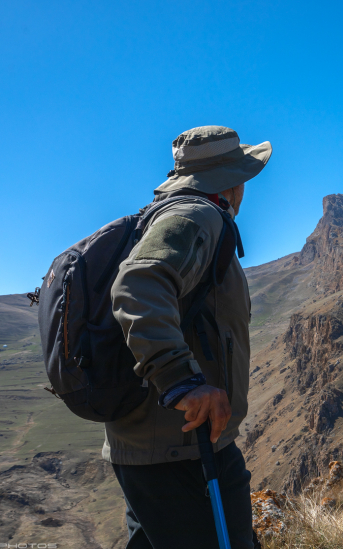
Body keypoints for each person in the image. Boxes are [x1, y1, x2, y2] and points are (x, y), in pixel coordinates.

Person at [106, 125, 271, 548]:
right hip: (184, 448)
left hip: (160, 444)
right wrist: (183, 380)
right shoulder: (196, 216)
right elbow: (138, 285)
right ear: (233, 181)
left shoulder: (180, 215)